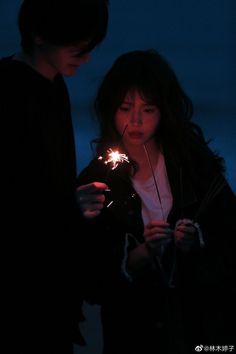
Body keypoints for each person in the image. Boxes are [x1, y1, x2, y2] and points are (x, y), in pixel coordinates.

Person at [76, 49, 236, 354]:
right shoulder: (97, 180)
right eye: (125, 107)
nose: (135, 120)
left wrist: (195, 241)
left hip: (200, 330)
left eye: (147, 109)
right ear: (111, 109)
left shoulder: (195, 166)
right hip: (132, 333)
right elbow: (90, 275)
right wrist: (139, 254)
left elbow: (230, 236)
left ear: (164, 111)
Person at [1, 1, 109, 353]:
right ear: (38, 34)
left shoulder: (54, 83)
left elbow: (48, 178)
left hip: (50, 281)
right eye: (78, 46)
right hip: (22, 289)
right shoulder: (8, 92)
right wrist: (68, 204)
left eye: (90, 46)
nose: (87, 56)